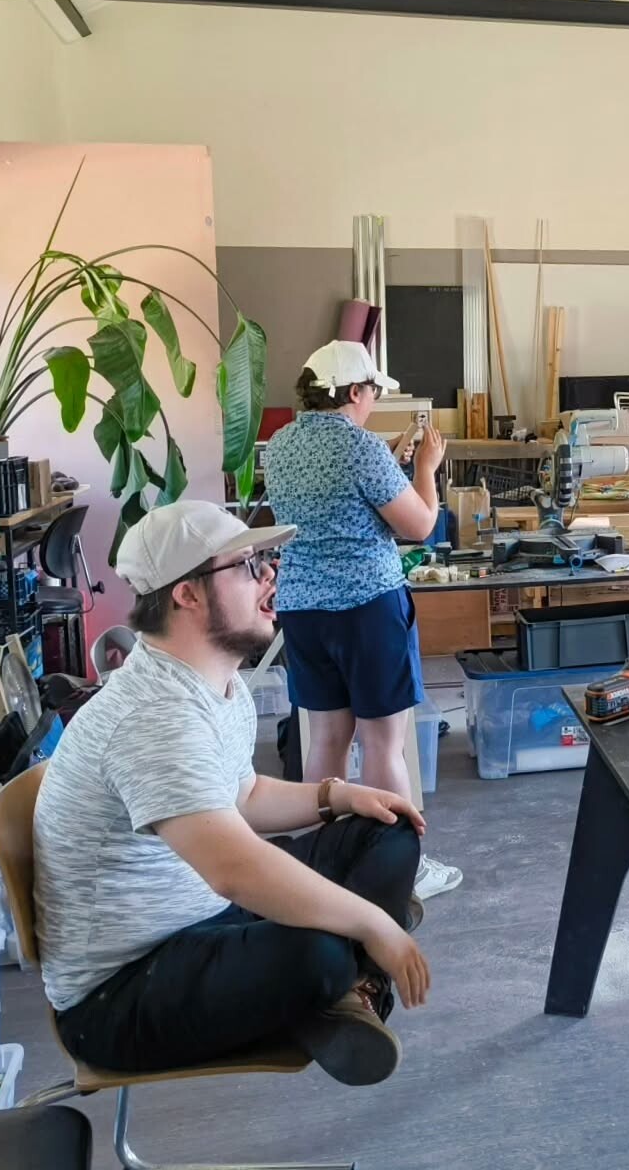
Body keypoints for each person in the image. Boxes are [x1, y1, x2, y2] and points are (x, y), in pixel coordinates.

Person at [33, 501, 430, 1084]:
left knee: (386, 832)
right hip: (120, 992)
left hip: (204, 918)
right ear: (187, 594)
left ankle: (343, 994)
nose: (270, 574)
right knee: (321, 950)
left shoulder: (217, 684)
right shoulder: (153, 716)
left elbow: (243, 797)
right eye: (247, 565)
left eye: (264, 560)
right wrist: (375, 924)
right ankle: (342, 982)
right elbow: (233, 869)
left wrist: (339, 796)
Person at [262, 340, 463, 901]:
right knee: (383, 744)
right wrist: (424, 469)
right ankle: (401, 871)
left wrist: (389, 462)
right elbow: (419, 526)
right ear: (354, 391)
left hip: (303, 608)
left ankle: (323, 862)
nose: (373, 401)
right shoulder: (359, 447)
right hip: (367, 607)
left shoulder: (281, 444)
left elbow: (336, 503)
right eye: (373, 391)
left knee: (326, 739)